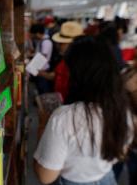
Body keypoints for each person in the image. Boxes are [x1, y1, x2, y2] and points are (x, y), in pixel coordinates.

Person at [34, 35, 135, 185]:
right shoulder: (122, 109)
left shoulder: (64, 118)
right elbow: (121, 154)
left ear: (78, 75)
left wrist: (43, 126)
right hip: (107, 179)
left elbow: (45, 176)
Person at [39, 21, 83, 100]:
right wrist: (40, 73)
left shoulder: (81, 63)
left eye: (62, 43)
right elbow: (55, 75)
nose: (58, 46)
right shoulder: (65, 60)